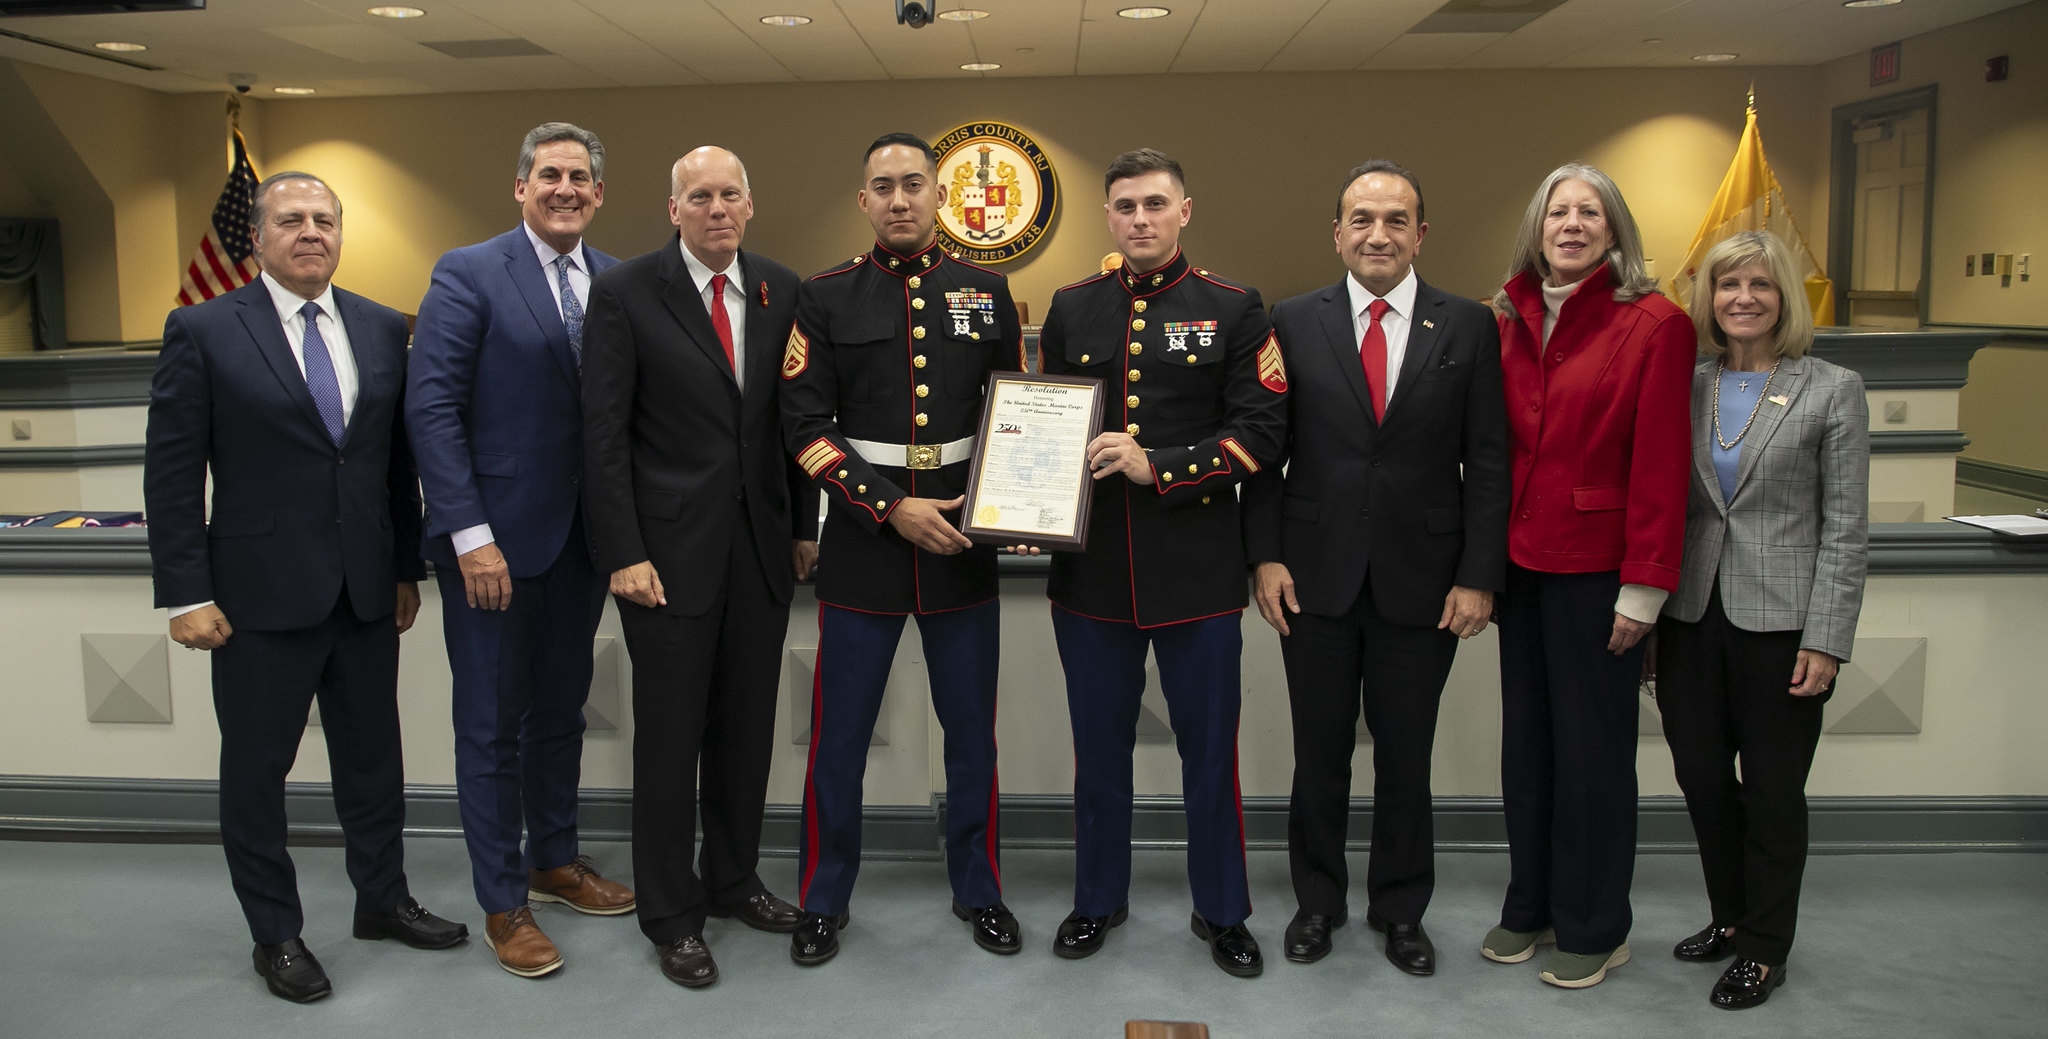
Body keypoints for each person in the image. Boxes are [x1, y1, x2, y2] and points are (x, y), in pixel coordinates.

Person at [144, 171, 466, 1004]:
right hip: (253, 598)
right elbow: (173, 475)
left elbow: (396, 465)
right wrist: (186, 593)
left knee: (374, 762)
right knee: (257, 772)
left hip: (363, 590)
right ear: (258, 236)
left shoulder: (379, 324)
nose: (311, 232)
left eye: (325, 219)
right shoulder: (204, 329)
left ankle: (383, 899)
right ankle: (276, 933)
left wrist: (402, 569)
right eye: (292, 220)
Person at [1243, 160, 1509, 977]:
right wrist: (1266, 555)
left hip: (1424, 582)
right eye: (1362, 218)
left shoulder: (1466, 326)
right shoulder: (1291, 320)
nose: (1378, 234)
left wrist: (1478, 574)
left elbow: (1490, 460)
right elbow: (1264, 453)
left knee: (1406, 755)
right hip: (1311, 577)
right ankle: (1318, 903)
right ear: (1337, 232)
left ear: (1421, 233)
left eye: (1396, 220)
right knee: (1319, 754)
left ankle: (1400, 910)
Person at [778, 132, 1026, 966]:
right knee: (838, 736)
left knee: (971, 737)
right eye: (882, 186)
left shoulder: (988, 293)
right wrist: (889, 508)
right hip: (864, 543)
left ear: (939, 194)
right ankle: (822, 896)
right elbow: (804, 428)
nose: (899, 199)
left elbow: (1013, 414)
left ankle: (980, 887)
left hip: (962, 541)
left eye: (913, 184)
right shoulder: (825, 296)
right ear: (863, 201)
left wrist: (1017, 500)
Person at [1040, 149, 1288, 978]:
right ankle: (1097, 897)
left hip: (1198, 569)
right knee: (1097, 750)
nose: (1139, 219)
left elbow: (1263, 432)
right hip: (1093, 573)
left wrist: (1164, 465)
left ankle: (1222, 909)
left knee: (1210, 752)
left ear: (1185, 210)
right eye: (1124, 206)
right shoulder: (1072, 308)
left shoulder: (1233, 306)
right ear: (1107, 218)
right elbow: (1042, 425)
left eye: (1155, 204)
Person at [579, 146, 812, 988]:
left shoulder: (782, 289)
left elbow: (796, 423)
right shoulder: (626, 292)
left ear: (751, 205)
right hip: (664, 560)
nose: (717, 209)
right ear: (672, 208)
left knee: (746, 733)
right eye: (699, 196)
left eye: (730, 195)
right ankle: (671, 913)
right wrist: (624, 552)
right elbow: (601, 436)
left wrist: (804, 525)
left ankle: (734, 880)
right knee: (672, 743)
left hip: (761, 553)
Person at [407, 121, 632, 980]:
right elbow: (431, 410)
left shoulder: (615, 279)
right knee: (492, 727)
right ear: (521, 187)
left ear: (599, 192)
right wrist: (470, 535)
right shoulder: (469, 272)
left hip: (583, 547)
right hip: (491, 550)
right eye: (550, 175)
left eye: (580, 175)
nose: (565, 188)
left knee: (561, 714)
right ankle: (506, 903)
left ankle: (557, 861)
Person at [1481, 162, 1694, 989]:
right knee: (1527, 750)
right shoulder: (1507, 318)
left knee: (1593, 757)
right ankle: (1529, 904)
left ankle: (1597, 923)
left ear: (1615, 231)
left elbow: (1662, 466)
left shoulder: (1655, 323)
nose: (1571, 225)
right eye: (1557, 212)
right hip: (1521, 567)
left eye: (1590, 213)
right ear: (1536, 227)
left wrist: (1645, 588)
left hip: (1601, 573)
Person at [1658, 230, 1869, 1011]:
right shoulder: (1687, 382)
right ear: (1707, 299)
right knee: (1703, 780)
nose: (1742, 298)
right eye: (1726, 285)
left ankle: (1766, 946)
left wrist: (1828, 635)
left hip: (1784, 626)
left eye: (1760, 285)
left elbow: (1846, 525)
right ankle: (1729, 916)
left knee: (1774, 791)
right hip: (1688, 615)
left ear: (1786, 297)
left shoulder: (1831, 388)